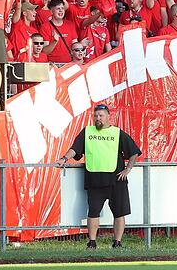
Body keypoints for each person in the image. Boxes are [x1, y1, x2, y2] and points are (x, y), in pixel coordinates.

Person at [55, 104, 141, 249]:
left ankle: (117, 242)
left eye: (101, 115)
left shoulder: (117, 133)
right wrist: (64, 158)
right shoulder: (87, 132)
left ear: (108, 116)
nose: (98, 118)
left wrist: (127, 169)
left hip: (116, 180)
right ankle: (92, 242)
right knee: (93, 212)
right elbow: (75, 149)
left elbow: (134, 151)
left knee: (119, 213)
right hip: (94, 180)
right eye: (96, 116)